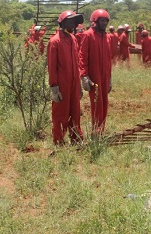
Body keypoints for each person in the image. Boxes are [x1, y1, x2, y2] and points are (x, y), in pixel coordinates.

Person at [47, 11, 84, 145]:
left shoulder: (73, 39)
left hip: (74, 83)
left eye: (74, 22)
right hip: (62, 84)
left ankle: (76, 139)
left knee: (75, 112)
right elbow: (52, 67)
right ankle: (59, 141)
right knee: (60, 114)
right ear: (62, 23)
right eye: (70, 22)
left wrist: (79, 85)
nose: (73, 25)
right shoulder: (55, 42)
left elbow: (76, 64)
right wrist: (54, 88)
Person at [79, 9, 112, 135]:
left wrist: (110, 78)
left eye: (106, 21)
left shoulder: (106, 37)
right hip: (94, 78)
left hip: (105, 77)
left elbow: (108, 59)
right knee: (97, 105)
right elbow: (82, 56)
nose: (104, 23)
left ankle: (101, 131)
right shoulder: (88, 35)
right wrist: (84, 76)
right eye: (102, 21)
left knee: (104, 104)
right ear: (95, 21)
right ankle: (96, 132)